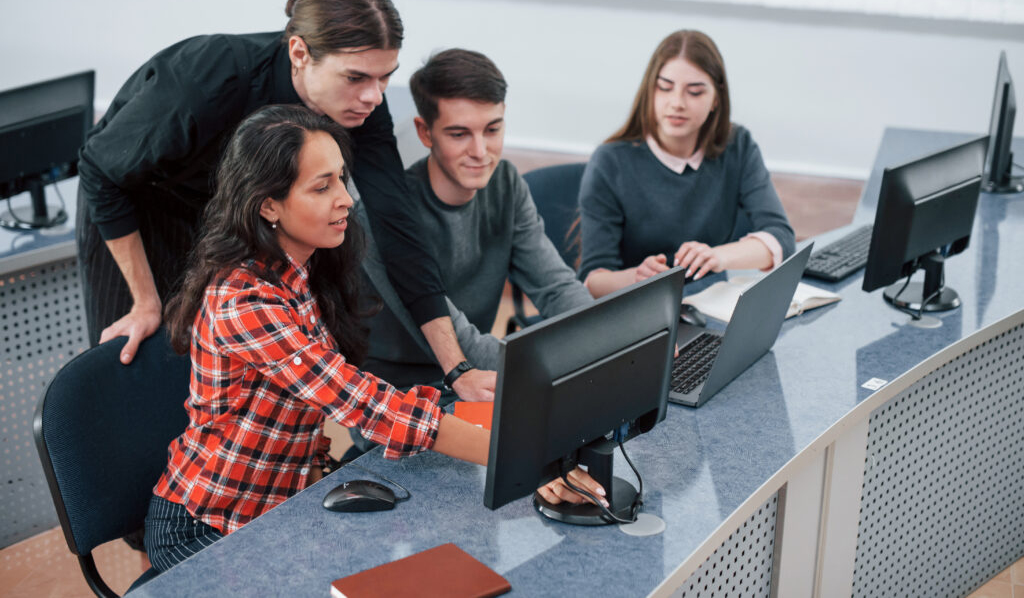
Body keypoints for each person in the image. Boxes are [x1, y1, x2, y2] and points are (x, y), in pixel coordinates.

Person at [143, 106, 605, 572]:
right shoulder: (244, 302)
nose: (345, 199)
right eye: (322, 187)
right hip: (210, 524)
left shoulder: (300, 271)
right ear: (268, 205)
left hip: (280, 507)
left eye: (342, 179)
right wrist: (527, 460)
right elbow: (363, 403)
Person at [76, 0, 493, 401]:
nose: (374, 95)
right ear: (299, 52)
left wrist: (457, 369)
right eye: (356, 77)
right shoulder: (210, 77)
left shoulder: (362, 107)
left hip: (224, 215)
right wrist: (145, 301)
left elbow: (397, 230)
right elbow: (100, 171)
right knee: (141, 371)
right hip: (134, 206)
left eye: (385, 76)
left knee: (221, 378)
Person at [357, 48, 593, 391]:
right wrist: (574, 359)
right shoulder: (383, 215)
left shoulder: (505, 184)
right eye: (459, 134)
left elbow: (556, 289)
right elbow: (461, 344)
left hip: (477, 376)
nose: (481, 152)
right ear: (425, 132)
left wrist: (603, 340)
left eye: (492, 130)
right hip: (400, 391)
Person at [578, 30, 796, 297]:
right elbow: (592, 281)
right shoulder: (610, 161)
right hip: (638, 305)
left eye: (694, 92)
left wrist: (717, 257)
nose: (677, 103)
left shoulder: (738, 145)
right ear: (650, 91)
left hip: (710, 301)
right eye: (665, 88)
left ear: (716, 99)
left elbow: (781, 237)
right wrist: (637, 277)